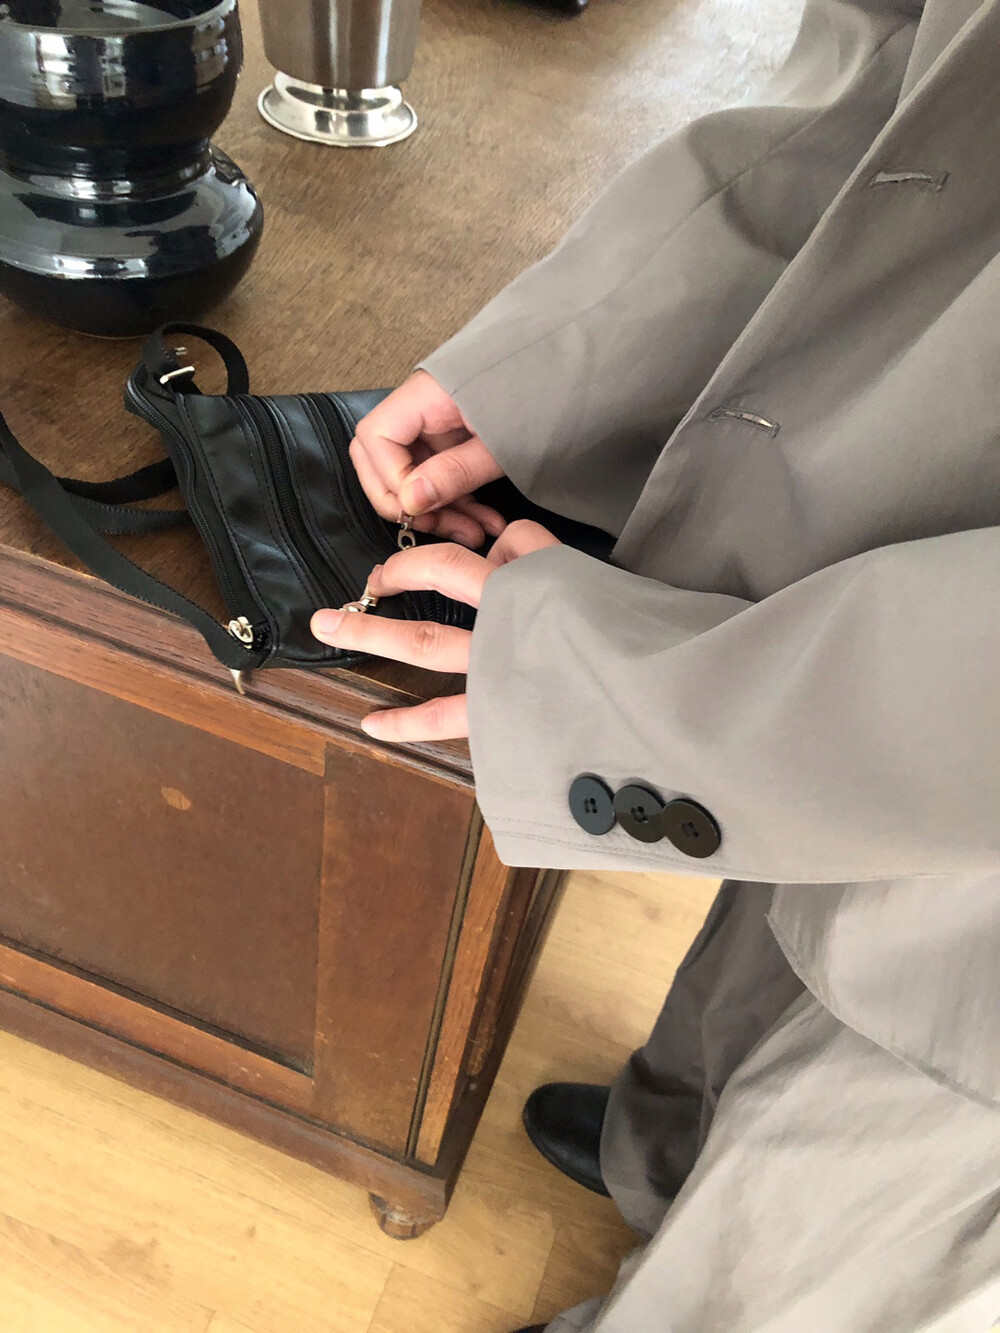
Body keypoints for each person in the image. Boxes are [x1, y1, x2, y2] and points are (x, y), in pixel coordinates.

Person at [310, 0, 1000, 1326]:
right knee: (772, 928)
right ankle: (664, 1156)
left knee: (835, 1205)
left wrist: (631, 692)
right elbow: (884, 70)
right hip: (893, 522)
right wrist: (553, 367)